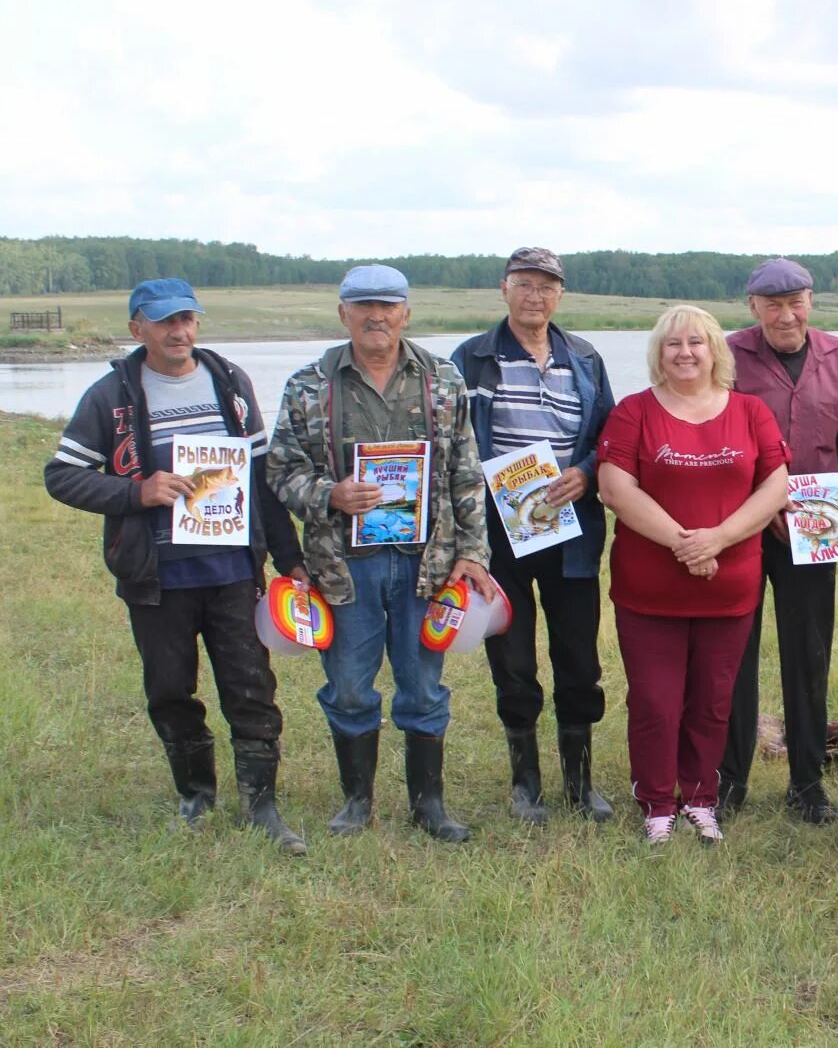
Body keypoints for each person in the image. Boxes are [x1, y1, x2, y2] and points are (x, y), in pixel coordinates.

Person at [44, 278, 307, 854]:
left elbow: (261, 482)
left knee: (251, 686)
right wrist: (136, 492)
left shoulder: (230, 383)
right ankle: (195, 794)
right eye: (164, 322)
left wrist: (291, 562)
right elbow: (61, 475)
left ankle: (261, 804)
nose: (178, 332)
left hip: (233, 572)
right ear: (137, 328)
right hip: (156, 575)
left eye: (187, 319)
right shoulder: (110, 396)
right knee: (169, 688)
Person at [267, 264, 494, 843]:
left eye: (388, 306)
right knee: (348, 685)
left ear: (406, 313)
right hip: (344, 568)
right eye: (363, 306)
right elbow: (281, 470)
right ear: (342, 314)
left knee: (423, 686)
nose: (376, 316)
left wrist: (474, 551)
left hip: (429, 566)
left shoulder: (443, 380)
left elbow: (466, 474)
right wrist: (330, 494)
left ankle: (429, 806)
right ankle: (356, 802)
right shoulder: (308, 385)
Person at [597, 305, 790, 844]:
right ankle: (658, 802)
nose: (684, 352)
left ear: (715, 351)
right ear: (658, 354)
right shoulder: (634, 412)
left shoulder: (751, 411)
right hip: (649, 588)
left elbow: (774, 486)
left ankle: (701, 797)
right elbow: (615, 488)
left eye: (696, 342)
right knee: (656, 701)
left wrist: (719, 539)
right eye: (672, 344)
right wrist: (687, 544)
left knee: (712, 700)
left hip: (729, 587)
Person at [451, 247, 617, 825]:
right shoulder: (470, 358)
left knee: (579, 659)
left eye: (546, 287)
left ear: (560, 295)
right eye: (524, 285)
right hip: (499, 537)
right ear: (504, 289)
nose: (535, 296)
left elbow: (609, 438)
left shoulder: (587, 359)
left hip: (570, 534)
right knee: (513, 661)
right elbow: (453, 444)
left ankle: (580, 784)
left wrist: (588, 472)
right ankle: (526, 786)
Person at [718, 257, 838, 824]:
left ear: (811, 300)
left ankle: (808, 783)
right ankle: (730, 780)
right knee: (736, 652)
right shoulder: (728, 354)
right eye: (772, 304)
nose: (786, 314)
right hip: (746, 523)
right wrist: (764, 499)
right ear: (752, 306)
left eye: (796, 301)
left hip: (816, 527)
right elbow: (717, 431)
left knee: (809, 656)